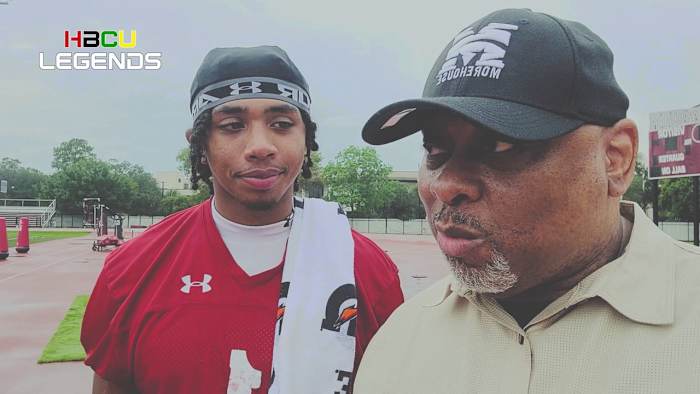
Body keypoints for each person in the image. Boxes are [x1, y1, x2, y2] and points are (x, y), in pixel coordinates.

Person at [354, 8, 700, 394]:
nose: (447, 185)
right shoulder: (401, 342)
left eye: (501, 145)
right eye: (435, 148)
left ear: (615, 159)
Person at [81, 46, 404, 394]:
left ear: (307, 138)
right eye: (233, 126)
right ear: (199, 144)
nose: (260, 146)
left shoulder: (366, 269)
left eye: (281, 124)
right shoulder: (131, 269)